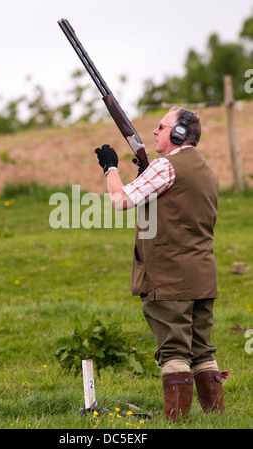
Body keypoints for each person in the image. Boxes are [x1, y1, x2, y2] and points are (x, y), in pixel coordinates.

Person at [95, 106, 228, 422]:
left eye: (161, 126)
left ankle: (178, 422)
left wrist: (110, 168)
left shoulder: (166, 167)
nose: (154, 131)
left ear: (179, 134)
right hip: (203, 276)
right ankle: (218, 418)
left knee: (174, 352)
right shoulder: (206, 170)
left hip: (169, 277)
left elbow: (120, 201)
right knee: (202, 351)